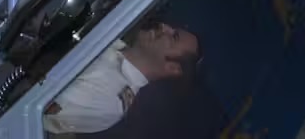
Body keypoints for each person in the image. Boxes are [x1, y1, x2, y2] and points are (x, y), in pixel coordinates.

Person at [43, 21, 201, 135]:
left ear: (172, 67)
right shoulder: (113, 35)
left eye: (174, 37)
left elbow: (38, 101)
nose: (164, 27)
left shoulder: (110, 100)